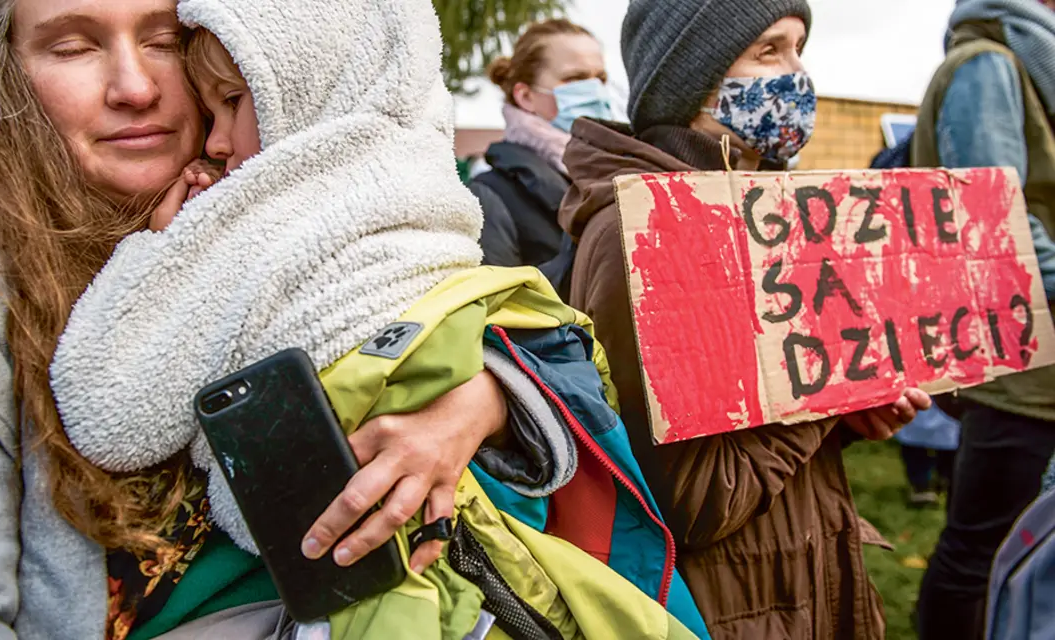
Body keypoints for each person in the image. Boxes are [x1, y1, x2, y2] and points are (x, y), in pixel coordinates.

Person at [47, 2, 706, 635]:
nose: (218, 143)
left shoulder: (256, 227)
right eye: (210, 108)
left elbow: (105, 406)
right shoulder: (422, 195)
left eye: (233, 104)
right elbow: (553, 339)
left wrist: (164, 257)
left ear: (302, 88)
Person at [0, 0, 520, 636]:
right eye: (73, 48)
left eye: (164, 42)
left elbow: (547, 344)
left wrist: (475, 403)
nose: (135, 88)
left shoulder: (322, 210)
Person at [558, 0, 933, 637]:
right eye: (768, 52)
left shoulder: (767, 214)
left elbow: (759, 423)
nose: (797, 74)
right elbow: (693, 503)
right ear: (691, 79)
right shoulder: (646, 235)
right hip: (727, 610)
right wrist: (827, 386)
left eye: (799, 49)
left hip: (799, 581)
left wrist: (843, 415)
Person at [910, 1, 1055, 637]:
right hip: (1020, 363)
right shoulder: (989, 63)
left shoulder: (1023, 62)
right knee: (985, 549)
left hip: (1037, 354)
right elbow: (994, 215)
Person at [468, 18, 613, 302]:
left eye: (601, 78)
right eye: (575, 79)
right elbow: (497, 312)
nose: (595, 90)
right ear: (526, 96)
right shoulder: (489, 195)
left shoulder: (618, 172)